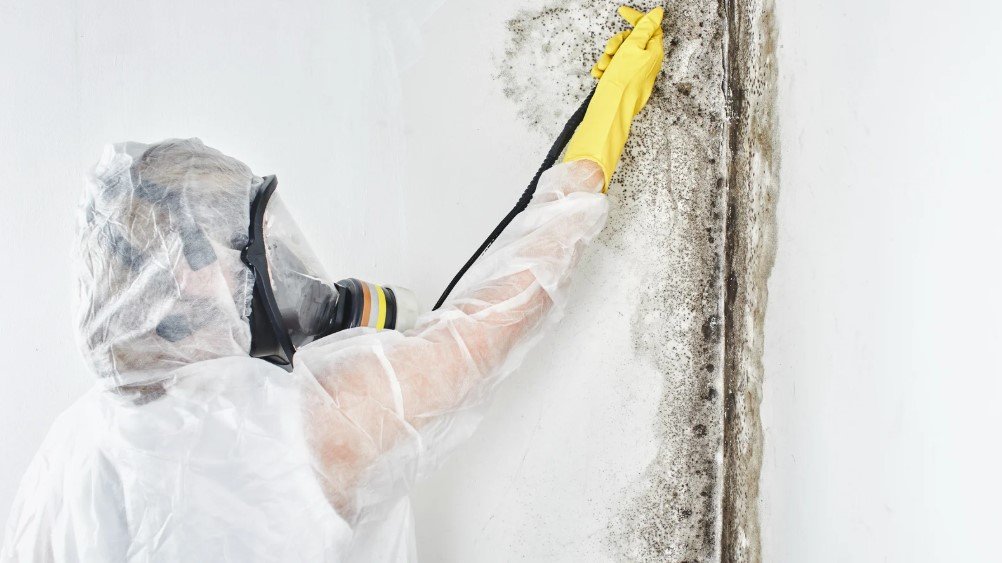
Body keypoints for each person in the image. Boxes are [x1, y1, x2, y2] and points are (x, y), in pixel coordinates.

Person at [1, 6, 664, 562]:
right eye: (237, 243)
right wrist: (598, 137)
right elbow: (488, 329)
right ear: (185, 271)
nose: (257, 267)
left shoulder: (63, 458)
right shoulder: (276, 432)